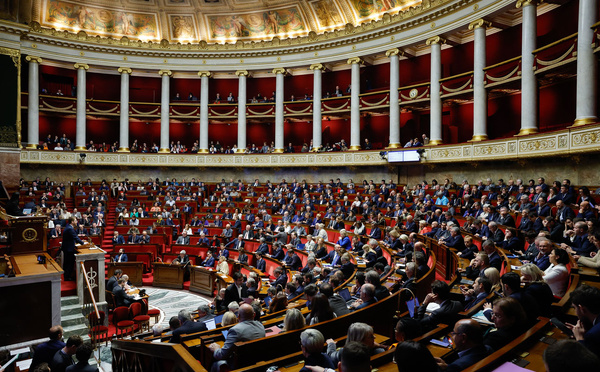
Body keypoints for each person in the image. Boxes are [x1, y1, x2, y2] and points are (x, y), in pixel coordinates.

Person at [208, 304, 266, 372]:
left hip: (240, 366)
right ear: (254, 315)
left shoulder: (235, 330)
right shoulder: (261, 326)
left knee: (215, 364)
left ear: (238, 316)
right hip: (257, 361)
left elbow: (222, 355)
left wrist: (216, 349)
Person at [566, 285, 600, 358]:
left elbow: (589, 362)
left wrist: (579, 338)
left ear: (582, 309)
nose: (575, 311)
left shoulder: (592, 335)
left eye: (574, 308)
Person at [60, 217, 85, 281]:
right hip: (69, 249)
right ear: (72, 222)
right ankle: (67, 277)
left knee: (67, 263)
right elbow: (75, 237)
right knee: (69, 263)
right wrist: (83, 243)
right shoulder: (70, 229)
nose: (77, 222)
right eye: (76, 220)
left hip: (67, 247)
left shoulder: (69, 227)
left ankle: (67, 275)